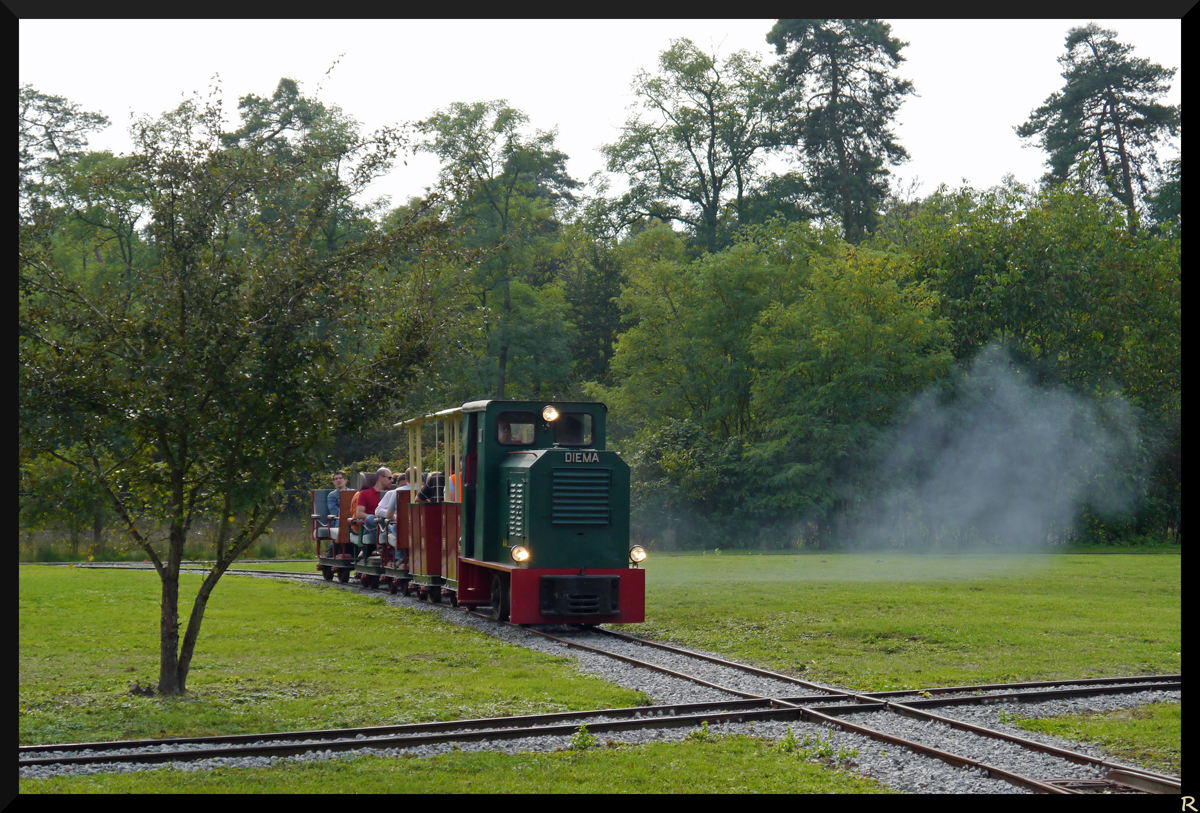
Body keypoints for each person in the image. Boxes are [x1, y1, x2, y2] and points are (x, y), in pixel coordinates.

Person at [355, 469, 389, 561]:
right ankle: (381, 547)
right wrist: (375, 518)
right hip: (369, 526)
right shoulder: (365, 493)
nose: (392, 481)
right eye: (389, 478)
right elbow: (359, 513)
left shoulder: (390, 493)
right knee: (371, 518)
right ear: (381, 478)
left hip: (387, 523)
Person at [325, 471, 347, 556]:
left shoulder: (354, 493)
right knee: (341, 522)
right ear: (334, 482)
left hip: (353, 517)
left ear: (345, 480)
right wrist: (346, 513)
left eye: (340, 478)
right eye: (335, 479)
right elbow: (334, 511)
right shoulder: (332, 495)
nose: (338, 480)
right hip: (338, 519)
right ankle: (333, 548)